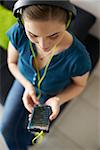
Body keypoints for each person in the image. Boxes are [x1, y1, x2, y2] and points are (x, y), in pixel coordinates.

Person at [0, 0, 92, 149]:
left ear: (67, 22)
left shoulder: (79, 58)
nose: (43, 45)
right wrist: (27, 85)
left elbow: (80, 85)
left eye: (54, 35)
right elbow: (12, 63)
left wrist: (57, 99)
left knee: (33, 130)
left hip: (50, 94)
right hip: (23, 83)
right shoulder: (18, 31)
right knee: (6, 129)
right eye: (33, 35)